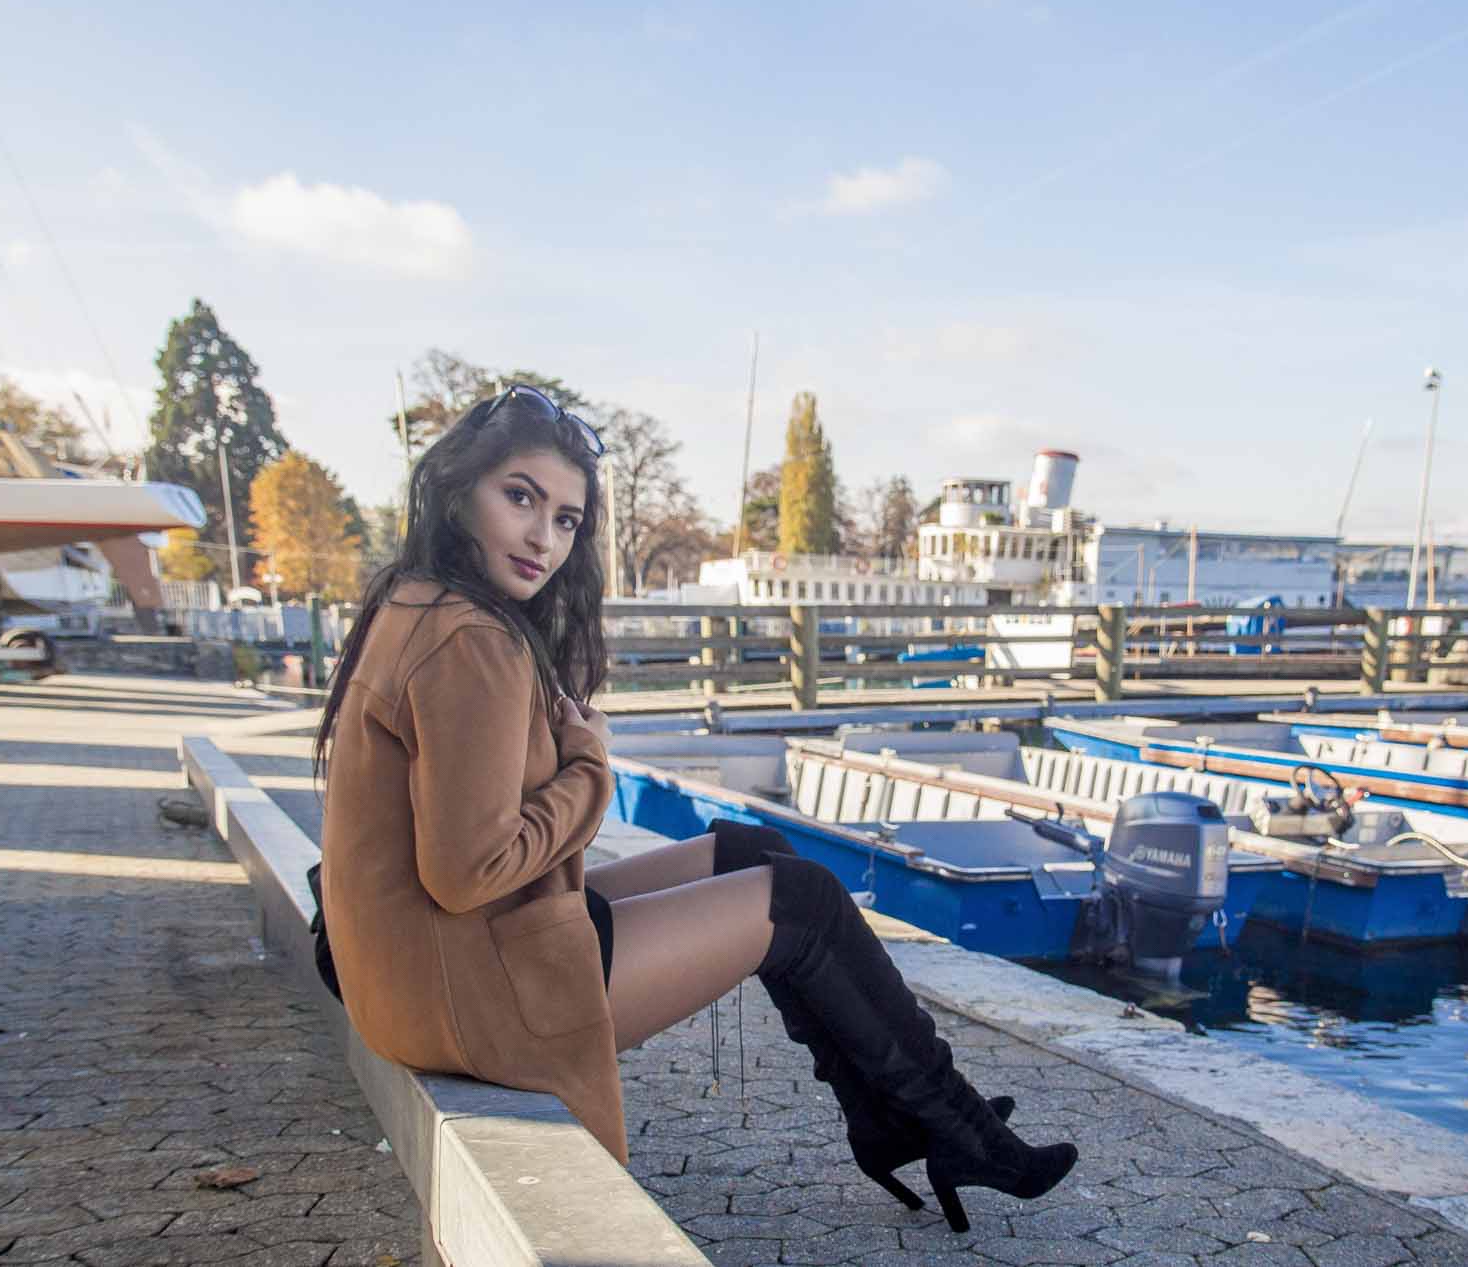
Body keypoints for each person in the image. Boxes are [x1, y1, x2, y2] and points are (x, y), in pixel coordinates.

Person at [314, 386, 1076, 1232]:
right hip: (473, 989)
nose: (543, 537)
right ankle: (949, 1126)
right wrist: (587, 766)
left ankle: (900, 1114)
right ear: (460, 489)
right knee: (806, 904)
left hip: (425, 965)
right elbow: (468, 871)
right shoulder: (473, 639)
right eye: (520, 497)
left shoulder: (417, 600)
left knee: (747, 851)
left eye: (567, 519)